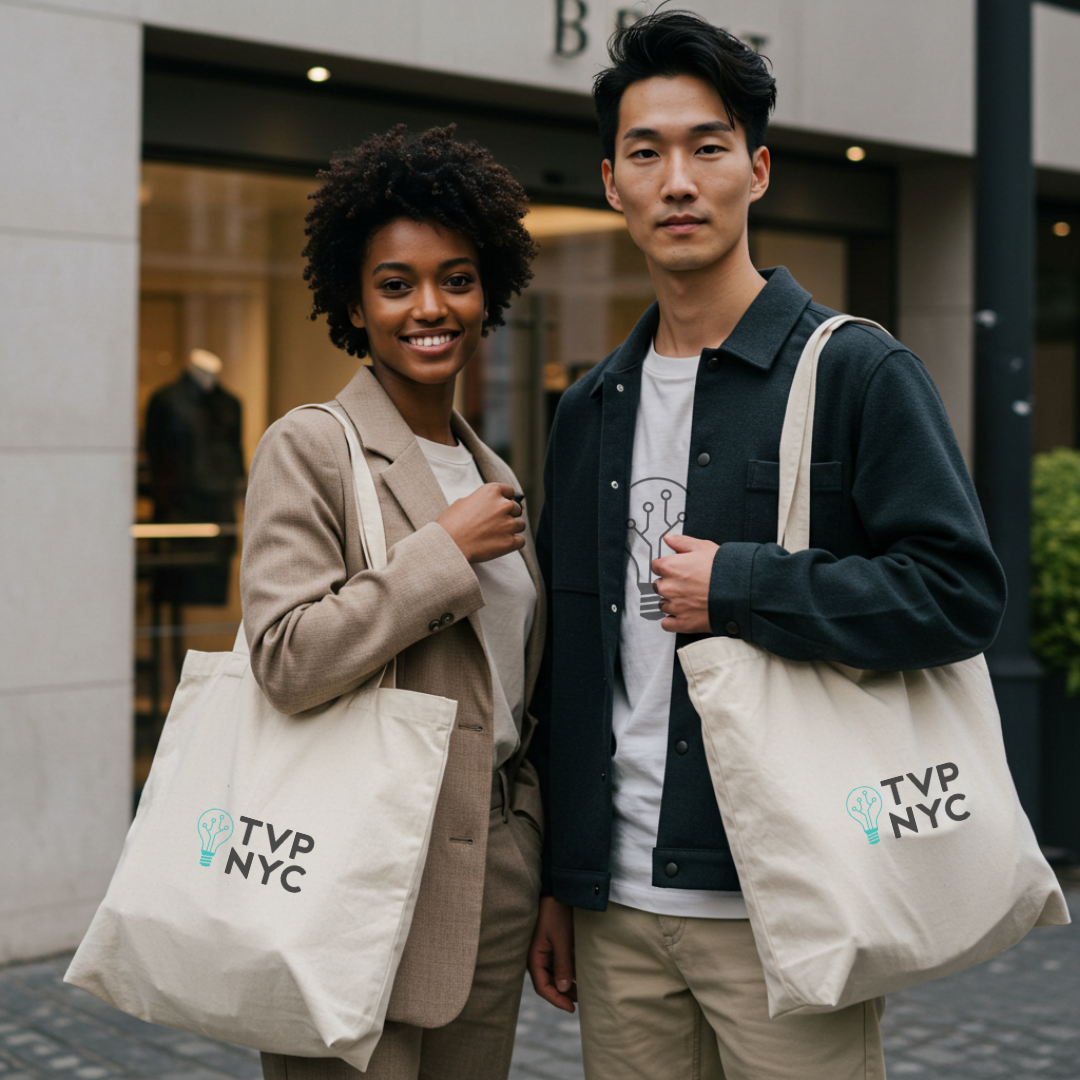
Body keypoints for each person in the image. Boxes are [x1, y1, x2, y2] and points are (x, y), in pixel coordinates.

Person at [526, 11, 1006, 1080]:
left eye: (707, 147)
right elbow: (571, 662)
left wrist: (741, 585)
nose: (678, 181)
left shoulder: (858, 372)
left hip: (786, 898)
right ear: (611, 183)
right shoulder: (590, 407)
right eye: (646, 154)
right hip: (615, 913)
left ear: (758, 169)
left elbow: (959, 595)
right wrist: (564, 876)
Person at [240, 124, 544, 1080]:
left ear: (488, 293)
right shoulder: (310, 446)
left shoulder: (494, 473)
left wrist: (530, 845)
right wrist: (440, 552)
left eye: (456, 280)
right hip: (351, 861)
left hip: (489, 877)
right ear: (354, 303)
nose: (431, 308)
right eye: (396, 284)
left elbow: (514, 691)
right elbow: (287, 657)